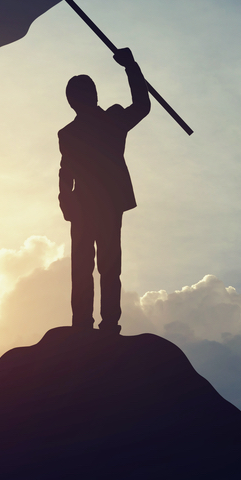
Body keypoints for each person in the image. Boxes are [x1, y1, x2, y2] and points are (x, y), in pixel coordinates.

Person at [58, 47, 150, 334]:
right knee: (86, 268)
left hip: (104, 204)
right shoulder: (71, 133)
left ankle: (107, 323)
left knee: (107, 265)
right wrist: (65, 202)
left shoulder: (110, 120)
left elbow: (142, 106)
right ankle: (84, 324)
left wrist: (131, 67)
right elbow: (66, 171)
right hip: (86, 205)